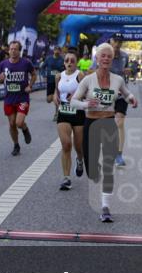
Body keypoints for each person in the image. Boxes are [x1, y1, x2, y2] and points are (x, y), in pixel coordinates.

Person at [70, 43, 137, 222]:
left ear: (112, 58)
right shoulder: (88, 80)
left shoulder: (117, 80)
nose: (106, 58)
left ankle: (105, 207)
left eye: (109, 56)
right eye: (103, 56)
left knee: (108, 166)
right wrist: (86, 104)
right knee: (92, 172)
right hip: (91, 122)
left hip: (109, 123)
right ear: (97, 59)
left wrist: (132, 99)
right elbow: (73, 101)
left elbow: (126, 93)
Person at [91, 34, 132, 166]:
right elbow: (92, 71)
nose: (117, 44)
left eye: (120, 42)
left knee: (119, 122)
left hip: (120, 94)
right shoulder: (101, 55)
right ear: (111, 41)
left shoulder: (125, 56)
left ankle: (118, 155)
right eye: (116, 41)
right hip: (104, 94)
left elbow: (129, 71)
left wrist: (128, 71)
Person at [54, 48, 86, 190]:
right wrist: (55, 96)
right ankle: (66, 178)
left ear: (76, 62)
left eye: (72, 61)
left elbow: (88, 91)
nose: (69, 63)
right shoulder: (58, 76)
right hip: (64, 112)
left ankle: (80, 160)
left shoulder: (80, 75)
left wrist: (78, 95)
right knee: (66, 144)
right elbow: (57, 91)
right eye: (67, 60)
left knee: (78, 147)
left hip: (78, 112)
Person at [0, 40, 36, 156]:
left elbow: (34, 74)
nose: (13, 51)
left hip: (22, 98)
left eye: (15, 49)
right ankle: (16, 145)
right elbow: (0, 81)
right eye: (11, 49)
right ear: (8, 50)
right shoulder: (3, 64)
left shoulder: (26, 63)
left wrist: (30, 85)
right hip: (9, 98)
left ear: (19, 51)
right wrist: (1, 78)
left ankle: (24, 128)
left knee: (19, 122)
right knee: (11, 124)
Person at [43, 45, 65, 118]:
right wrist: (44, 76)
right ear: (53, 50)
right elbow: (43, 67)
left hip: (59, 82)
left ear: (60, 51)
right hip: (50, 81)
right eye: (56, 49)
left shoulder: (62, 60)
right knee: (49, 100)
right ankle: (56, 99)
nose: (57, 51)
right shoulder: (48, 59)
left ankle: (57, 113)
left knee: (57, 97)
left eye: (58, 50)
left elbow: (66, 70)